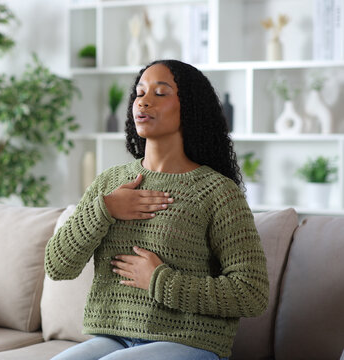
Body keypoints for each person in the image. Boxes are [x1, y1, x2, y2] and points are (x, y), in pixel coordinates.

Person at [45, 59, 269, 360]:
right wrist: (105, 209)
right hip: (114, 338)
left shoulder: (217, 192)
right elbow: (58, 266)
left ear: (189, 107)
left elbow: (251, 293)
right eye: (139, 93)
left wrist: (159, 281)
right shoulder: (110, 183)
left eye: (161, 93)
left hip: (190, 342)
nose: (144, 101)